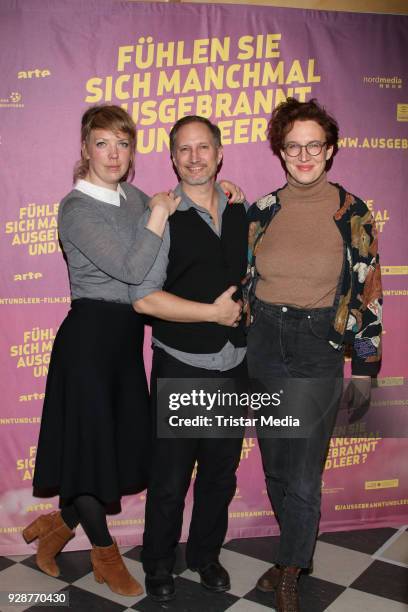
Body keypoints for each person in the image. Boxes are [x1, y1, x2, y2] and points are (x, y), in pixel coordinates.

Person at [23, 105, 241, 597]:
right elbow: (129, 268)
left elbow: (190, 198)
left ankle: (56, 527)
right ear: (86, 148)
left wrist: (227, 191)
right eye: (103, 143)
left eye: (122, 143)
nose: (114, 153)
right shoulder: (75, 208)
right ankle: (105, 556)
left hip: (125, 344)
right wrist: (161, 212)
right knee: (89, 455)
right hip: (88, 341)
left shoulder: (133, 196)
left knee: (117, 453)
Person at [245, 98, 382, 612]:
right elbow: (245, 283)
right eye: (293, 146)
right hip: (265, 345)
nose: (304, 155)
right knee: (277, 465)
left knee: (304, 472)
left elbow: (369, 292)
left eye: (314, 145)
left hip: (319, 346)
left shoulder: (355, 213)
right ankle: (291, 557)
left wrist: (365, 368)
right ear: (281, 151)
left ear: (330, 151)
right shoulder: (260, 211)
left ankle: (289, 576)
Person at [133, 115, 248, 602]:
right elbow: (144, 298)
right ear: (173, 157)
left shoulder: (243, 209)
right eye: (184, 149)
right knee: (170, 479)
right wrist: (213, 315)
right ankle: (158, 563)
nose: (195, 157)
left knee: (220, 474)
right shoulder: (162, 215)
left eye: (204, 148)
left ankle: (205, 555)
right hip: (181, 364)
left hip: (235, 364)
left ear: (220, 154)